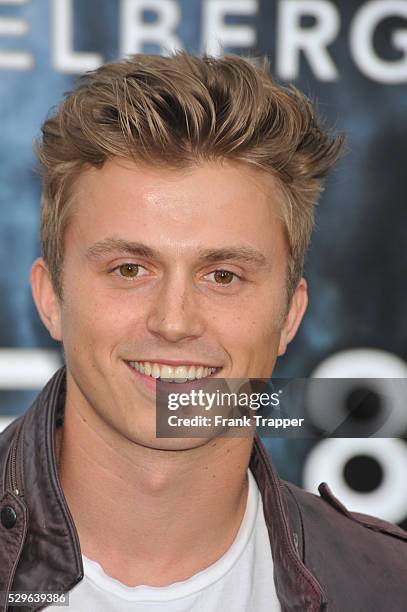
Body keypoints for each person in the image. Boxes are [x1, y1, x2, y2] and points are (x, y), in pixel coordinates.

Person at [0, 52, 405, 612]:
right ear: (51, 299)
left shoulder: (388, 586)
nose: (173, 322)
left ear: (290, 314)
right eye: (129, 270)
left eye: (223, 275)